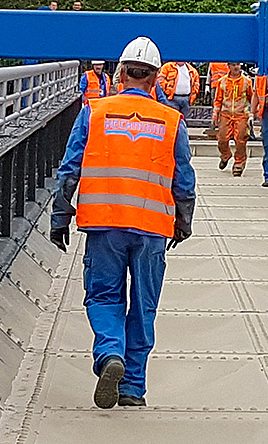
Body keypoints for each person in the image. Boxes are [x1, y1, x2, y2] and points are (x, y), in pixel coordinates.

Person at [50, 36, 196, 409]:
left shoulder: (94, 113)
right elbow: (183, 180)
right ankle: (132, 388)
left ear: (119, 74)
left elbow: (70, 170)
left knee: (103, 296)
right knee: (144, 305)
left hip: (104, 223)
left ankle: (110, 353)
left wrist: (60, 217)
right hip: (151, 228)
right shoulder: (172, 121)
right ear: (155, 79)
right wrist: (184, 222)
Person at [213, 62, 254, 176]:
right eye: (233, 65)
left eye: (238, 65)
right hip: (226, 114)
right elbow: (218, 99)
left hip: (241, 115)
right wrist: (215, 114)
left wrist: (253, 114)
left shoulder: (247, 81)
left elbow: (252, 98)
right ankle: (225, 155)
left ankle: (239, 163)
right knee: (222, 139)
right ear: (229, 66)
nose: (236, 67)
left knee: (240, 140)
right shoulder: (222, 82)